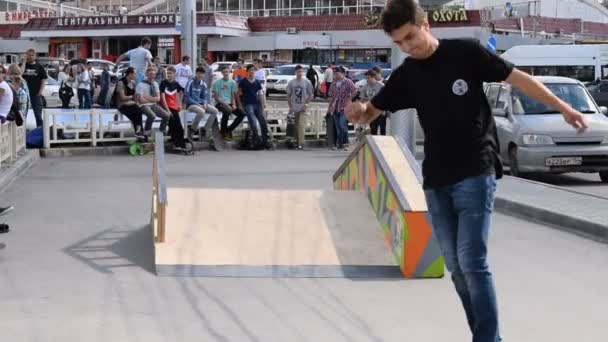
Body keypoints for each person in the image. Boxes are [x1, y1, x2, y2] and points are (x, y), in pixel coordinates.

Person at [344, 1, 588, 341]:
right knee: (456, 269)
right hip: (436, 179)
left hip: (476, 169)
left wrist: (563, 107)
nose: (408, 47)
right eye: (399, 43)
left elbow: (519, 79)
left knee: (472, 262)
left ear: (425, 24)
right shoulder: (407, 74)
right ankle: (484, 335)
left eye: (411, 37)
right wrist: (358, 113)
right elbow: (373, 110)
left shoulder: (466, 53)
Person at [238, 64, 270, 149]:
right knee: (253, 123)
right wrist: (240, 105)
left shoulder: (257, 82)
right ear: (247, 71)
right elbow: (238, 94)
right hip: (248, 104)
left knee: (263, 123)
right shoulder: (243, 81)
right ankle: (256, 141)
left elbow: (261, 95)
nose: (252, 71)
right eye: (251, 70)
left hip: (257, 104)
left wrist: (262, 108)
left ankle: (265, 141)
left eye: (253, 70)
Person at [184, 67, 219, 141]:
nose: (200, 75)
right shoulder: (190, 82)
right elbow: (187, 97)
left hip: (201, 104)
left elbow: (205, 97)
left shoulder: (204, 84)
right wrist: (198, 104)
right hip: (191, 105)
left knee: (215, 111)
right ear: (196, 73)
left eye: (202, 74)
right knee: (201, 111)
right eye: (199, 73)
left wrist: (205, 103)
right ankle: (192, 131)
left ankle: (205, 129)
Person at [159, 66, 189, 151]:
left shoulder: (176, 84)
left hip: (174, 107)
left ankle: (179, 144)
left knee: (177, 125)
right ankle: (176, 143)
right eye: (167, 73)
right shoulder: (163, 83)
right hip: (165, 107)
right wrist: (168, 110)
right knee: (175, 123)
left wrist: (179, 104)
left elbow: (182, 91)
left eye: (170, 73)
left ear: (174, 74)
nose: (169, 75)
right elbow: (163, 98)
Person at [212, 66, 246, 141]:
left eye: (227, 72)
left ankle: (228, 130)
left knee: (242, 114)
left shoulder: (232, 82)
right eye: (224, 72)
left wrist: (233, 104)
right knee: (226, 111)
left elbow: (232, 95)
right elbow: (216, 98)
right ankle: (224, 133)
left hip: (230, 103)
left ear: (229, 72)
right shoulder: (217, 83)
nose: (226, 73)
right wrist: (226, 105)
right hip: (220, 103)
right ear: (222, 73)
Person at [327, 66, 356, 150]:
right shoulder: (333, 84)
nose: (335, 75)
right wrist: (329, 108)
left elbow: (354, 91)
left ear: (343, 73)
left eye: (337, 73)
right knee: (338, 127)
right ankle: (339, 143)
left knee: (342, 125)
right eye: (335, 73)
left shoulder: (348, 82)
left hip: (345, 107)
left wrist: (349, 99)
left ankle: (346, 143)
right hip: (335, 108)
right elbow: (331, 97)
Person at [286, 65, 314, 150]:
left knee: (301, 125)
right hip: (294, 107)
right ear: (295, 72)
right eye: (298, 72)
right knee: (295, 125)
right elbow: (288, 95)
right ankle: (296, 141)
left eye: (301, 71)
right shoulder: (291, 82)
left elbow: (311, 95)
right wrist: (290, 106)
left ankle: (301, 143)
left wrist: (306, 104)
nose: (300, 73)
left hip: (303, 107)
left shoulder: (307, 82)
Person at [135, 67, 171, 134]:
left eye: (154, 74)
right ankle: (146, 132)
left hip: (153, 104)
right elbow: (141, 100)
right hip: (143, 105)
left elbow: (158, 99)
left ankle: (161, 131)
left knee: (166, 115)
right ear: (147, 74)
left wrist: (147, 97)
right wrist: (152, 99)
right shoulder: (141, 85)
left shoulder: (155, 84)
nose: (152, 76)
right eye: (150, 74)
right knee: (152, 116)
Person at [115, 67, 146, 140]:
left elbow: (134, 95)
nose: (136, 75)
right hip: (122, 104)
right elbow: (122, 97)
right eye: (135, 74)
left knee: (137, 114)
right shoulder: (121, 82)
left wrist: (136, 99)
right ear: (130, 74)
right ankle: (139, 133)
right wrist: (132, 97)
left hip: (130, 103)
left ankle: (139, 133)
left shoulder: (132, 83)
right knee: (138, 112)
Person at [20, 48, 47, 127]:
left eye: (32, 55)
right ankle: (22, 130)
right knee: (23, 114)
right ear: (26, 56)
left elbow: (44, 80)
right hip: (24, 94)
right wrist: (24, 61)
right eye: (29, 55)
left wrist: (40, 92)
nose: (31, 57)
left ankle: (40, 130)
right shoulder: (22, 65)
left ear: (35, 56)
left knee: (38, 115)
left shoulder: (39, 67)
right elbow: (20, 74)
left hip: (36, 94)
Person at [359, 69, 386, 135]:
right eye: (366, 78)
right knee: (373, 130)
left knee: (382, 130)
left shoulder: (381, 86)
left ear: (373, 77)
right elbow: (362, 99)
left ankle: (382, 144)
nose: (367, 80)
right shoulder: (365, 87)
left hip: (380, 111)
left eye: (368, 78)